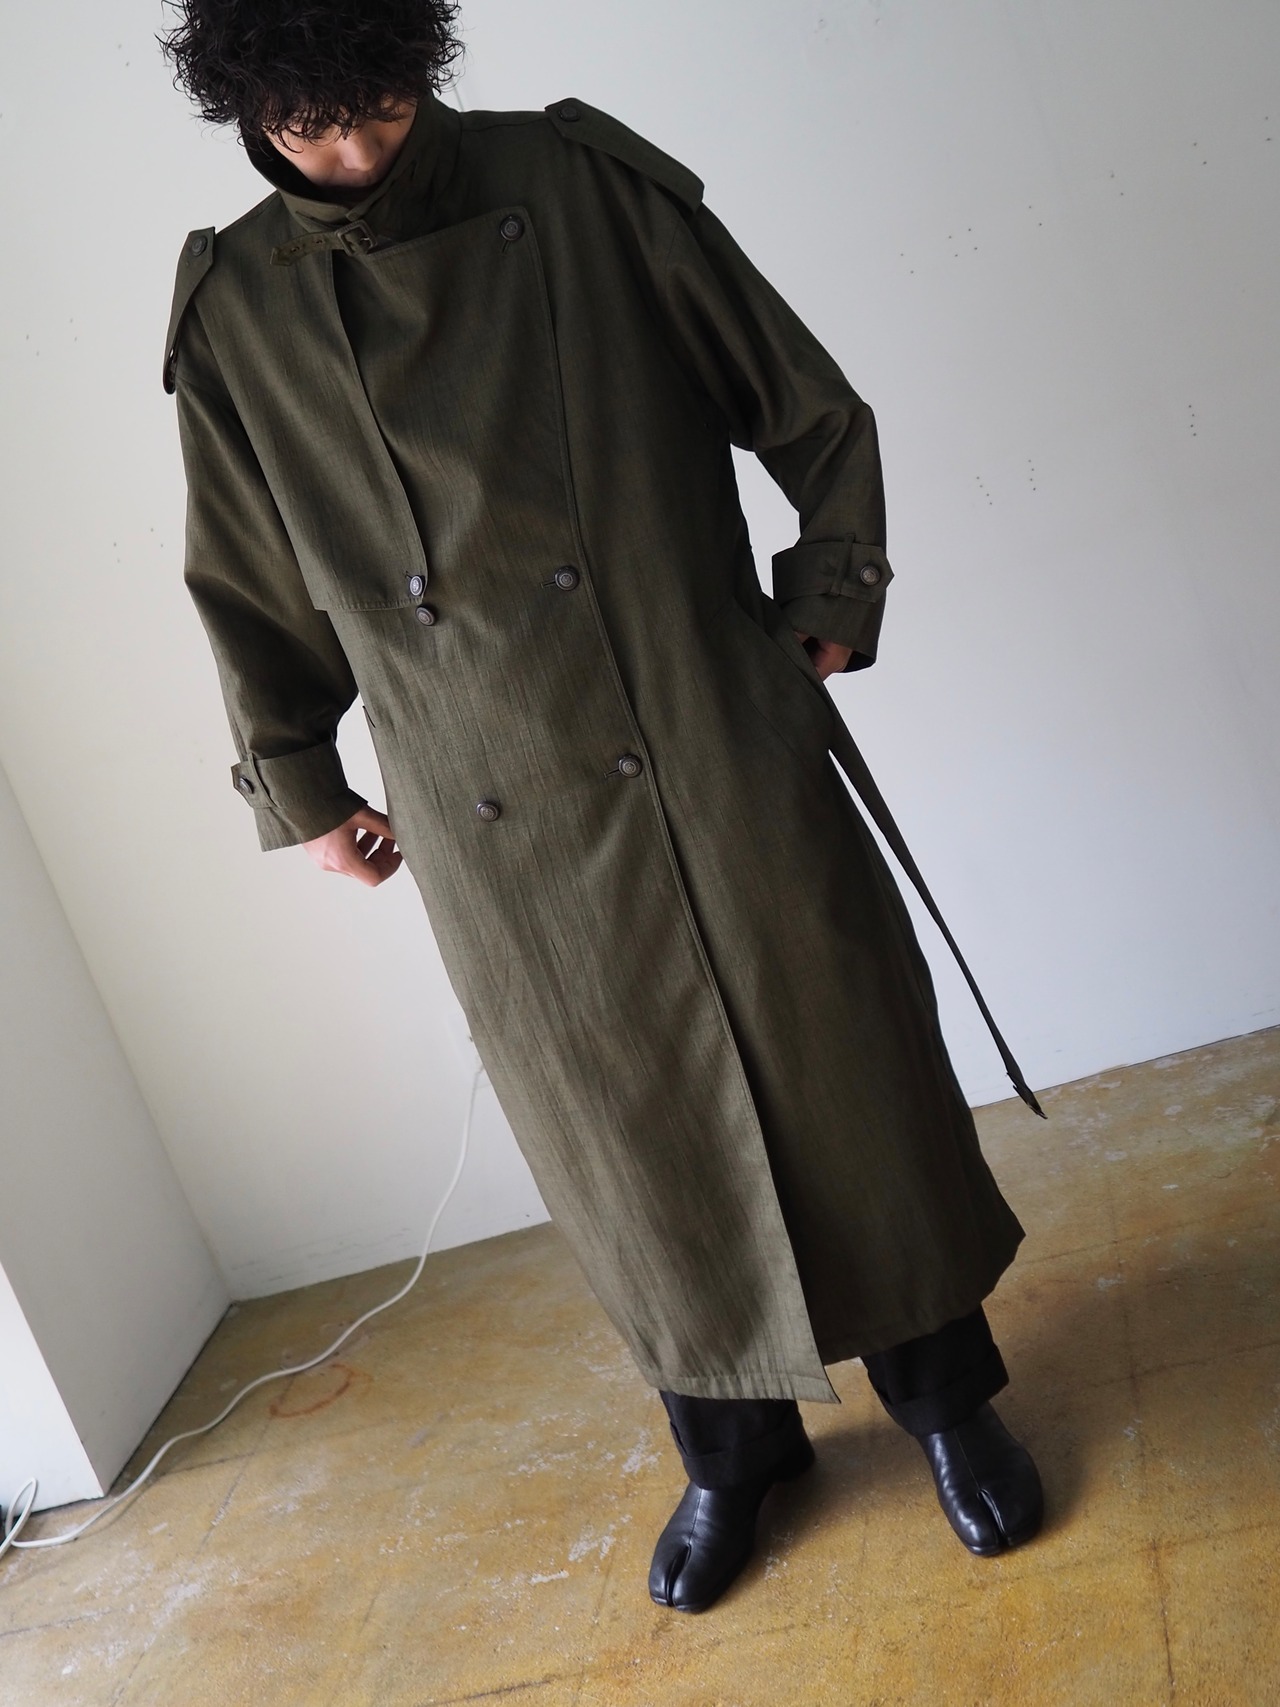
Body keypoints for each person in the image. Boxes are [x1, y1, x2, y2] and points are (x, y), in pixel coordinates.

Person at [159, 0, 1046, 1614]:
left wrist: (829, 591)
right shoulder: (238, 307)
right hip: (483, 785)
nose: (352, 152)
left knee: (839, 1061)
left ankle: (945, 1399)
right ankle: (732, 1447)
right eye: (308, 129)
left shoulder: (574, 182)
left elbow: (803, 398)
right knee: (619, 1126)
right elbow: (246, 572)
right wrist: (302, 783)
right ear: (246, 111)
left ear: (418, 62)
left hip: (701, 716)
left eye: (377, 108)